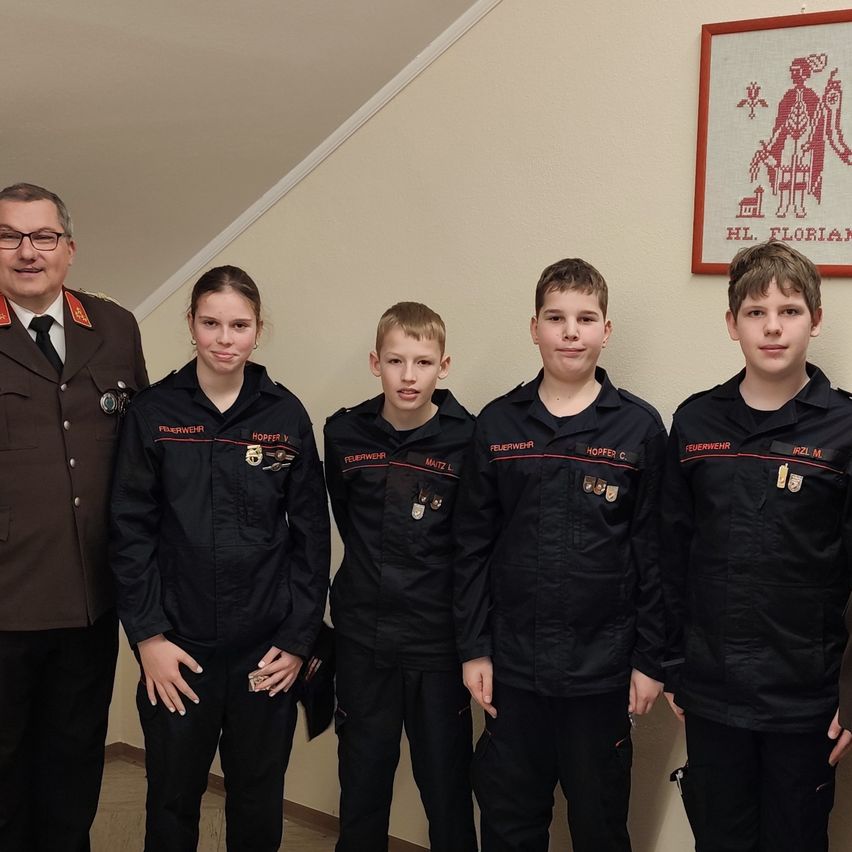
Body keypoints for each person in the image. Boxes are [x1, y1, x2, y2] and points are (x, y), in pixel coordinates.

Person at [110, 265, 330, 852]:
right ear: (191, 325)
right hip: (178, 652)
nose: (224, 338)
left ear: (259, 330)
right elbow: (129, 531)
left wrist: (299, 639)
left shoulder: (285, 417)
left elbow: (311, 536)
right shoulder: (153, 413)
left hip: (264, 650)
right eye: (211, 323)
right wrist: (149, 638)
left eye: (239, 324)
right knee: (172, 800)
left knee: (258, 800)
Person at [454, 259, 666, 851]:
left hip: (601, 676)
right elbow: (470, 546)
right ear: (535, 328)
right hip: (512, 671)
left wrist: (651, 660)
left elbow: (655, 555)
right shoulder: (498, 424)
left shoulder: (639, 429)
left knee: (599, 825)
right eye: (556, 318)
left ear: (606, 330)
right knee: (509, 823)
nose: (570, 331)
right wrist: (474, 647)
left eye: (585, 318)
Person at [661, 240, 852, 852]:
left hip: (806, 698)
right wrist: (670, 666)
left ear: (815, 320)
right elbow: (669, 554)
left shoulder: (844, 428)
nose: (773, 327)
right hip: (712, 692)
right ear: (731, 323)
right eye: (755, 312)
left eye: (790, 310)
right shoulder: (695, 423)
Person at [0, 182, 148, 852]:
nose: (27, 251)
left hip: (92, 598)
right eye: (9, 236)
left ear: (69, 248)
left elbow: (142, 454)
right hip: (5, 604)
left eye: (42, 236)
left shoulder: (114, 327)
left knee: (74, 762)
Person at [324, 302, 477, 852]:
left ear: (444, 365)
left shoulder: (470, 438)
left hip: (438, 644)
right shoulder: (342, 433)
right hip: (363, 641)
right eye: (395, 361)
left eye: (423, 362)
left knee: (447, 787)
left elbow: (472, 544)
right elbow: (346, 522)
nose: (408, 376)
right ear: (375, 363)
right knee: (362, 784)